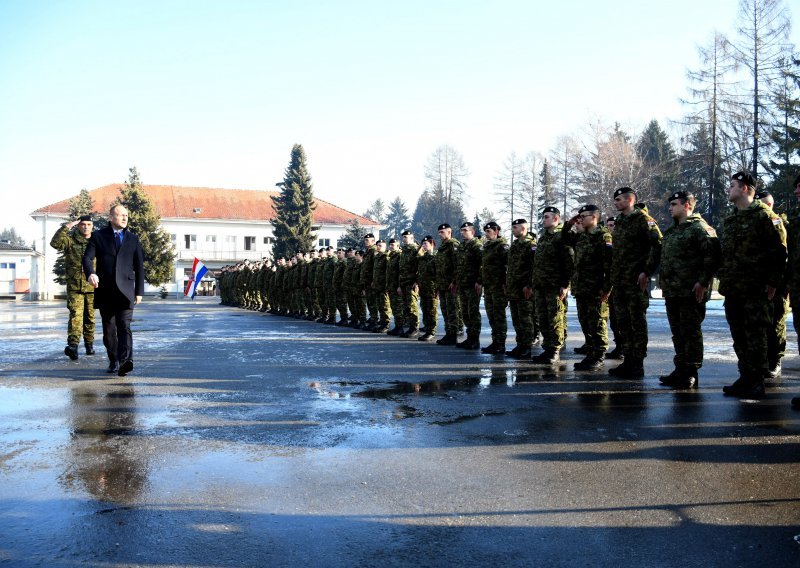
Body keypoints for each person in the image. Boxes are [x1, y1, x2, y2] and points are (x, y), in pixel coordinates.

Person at [718, 172, 787, 399]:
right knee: (739, 335)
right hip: (734, 289)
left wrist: (772, 282)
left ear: (745, 188)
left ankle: (757, 380)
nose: (729, 189)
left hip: (756, 289)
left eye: (732, 185)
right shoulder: (731, 220)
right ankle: (745, 376)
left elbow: (779, 252)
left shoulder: (765, 217)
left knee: (756, 336)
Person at [658, 191, 721, 389]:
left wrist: (702, 282)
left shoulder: (700, 229)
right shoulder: (672, 230)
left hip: (691, 291)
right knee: (677, 332)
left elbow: (713, 257)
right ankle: (681, 368)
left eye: (674, 204)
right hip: (673, 291)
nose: (670, 208)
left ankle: (690, 371)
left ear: (687, 206)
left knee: (690, 332)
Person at [82, 204, 145, 376]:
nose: (125, 218)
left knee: (124, 326)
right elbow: (87, 258)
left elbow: (139, 267)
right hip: (106, 291)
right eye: (121, 215)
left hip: (126, 291)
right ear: (111, 217)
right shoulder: (98, 237)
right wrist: (91, 274)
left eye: (126, 215)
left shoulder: (133, 238)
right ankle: (114, 360)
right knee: (109, 329)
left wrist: (139, 291)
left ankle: (126, 361)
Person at [608, 187, 662, 378]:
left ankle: (637, 363)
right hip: (620, 281)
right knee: (623, 322)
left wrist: (646, 271)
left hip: (635, 280)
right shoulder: (621, 220)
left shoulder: (643, 219)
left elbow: (657, 244)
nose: (615, 203)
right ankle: (628, 360)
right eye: (615, 200)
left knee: (637, 322)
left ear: (630, 200)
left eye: (619, 199)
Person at [563, 205, 612, 371]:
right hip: (581, 288)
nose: (580, 219)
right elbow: (565, 238)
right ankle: (591, 353)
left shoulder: (603, 236)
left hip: (595, 289)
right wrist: (569, 224)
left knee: (597, 323)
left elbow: (610, 264)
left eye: (583, 216)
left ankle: (598, 355)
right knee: (586, 323)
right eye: (579, 216)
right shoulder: (581, 237)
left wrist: (606, 288)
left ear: (594, 217)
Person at [531, 207, 573, 365]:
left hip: (554, 286)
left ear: (556, 219)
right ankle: (547, 348)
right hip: (541, 285)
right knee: (543, 318)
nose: (544, 220)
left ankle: (555, 350)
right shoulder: (543, 239)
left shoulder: (561, 237)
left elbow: (568, 262)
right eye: (543, 217)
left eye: (547, 217)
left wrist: (565, 284)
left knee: (555, 318)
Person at [51, 214, 97, 360]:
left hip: (92, 287)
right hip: (75, 287)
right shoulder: (70, 242)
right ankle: (73, 346)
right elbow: (55, 243)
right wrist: (67, 226)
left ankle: (89, 345)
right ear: (78, 225)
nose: (85, 227)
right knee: (75, 316)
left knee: (90, 317)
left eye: (88, 225)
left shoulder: (96, 242)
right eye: (82, 224)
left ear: (92, 226)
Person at [756, 189, 790, 380]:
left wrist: (782, 282)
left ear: (768, 206)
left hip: (779, 283)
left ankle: (775, 359)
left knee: (776, 323)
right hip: (760, 282)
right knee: (761, 324)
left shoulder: (780, 223)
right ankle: (763, 360)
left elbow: (785, 254)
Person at [505, 219, 537, 358]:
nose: (513, 230)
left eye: (515, 227)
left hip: (525, 289)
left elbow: (535, 267)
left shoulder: (531, 245)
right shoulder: (515, 245)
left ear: (523, 228)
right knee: (516, 319)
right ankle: (520, 345)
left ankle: (527, 347)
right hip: (514, 289)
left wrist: (529, 285)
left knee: (526, 320)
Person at [480, 222, 509, 354]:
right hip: (489, 286)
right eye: (485, 231)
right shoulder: (487, 246)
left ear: (496, 231)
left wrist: (505, 284)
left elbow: (508, 266)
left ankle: (501, 343)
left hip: (498, 286)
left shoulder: (502, 246)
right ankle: (495, 341)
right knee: (491, 315)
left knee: (499, 316)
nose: (486, 234)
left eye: (489, 231)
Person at [454, 222, 483, 349]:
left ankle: (475, 340)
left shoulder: (477, 246)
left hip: (472, 285)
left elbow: (482, 264)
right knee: (465, 313)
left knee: (473, 312)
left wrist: (479, 281)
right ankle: (469, 337)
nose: (462, 232)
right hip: (462, 284)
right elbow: (458, 266)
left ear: (472, 232)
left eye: (465, 230)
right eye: (461, 230)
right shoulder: (461, 246)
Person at [435, 224, 462, 345]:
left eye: (442, 232)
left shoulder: (453, 245)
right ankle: (448, 333)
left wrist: (455, 281)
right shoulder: (443, 246)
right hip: (442, 283)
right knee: (445, 310)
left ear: (449, 232)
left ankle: (453, 335)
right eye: (439, 232)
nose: (440, 234)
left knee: (452, 310)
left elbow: (457, 264)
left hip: (451, 284)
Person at [398, 230, 421, 338]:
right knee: (406, 306)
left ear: (412, 238)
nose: (404, 239)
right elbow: (401, 269)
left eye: (406, 237)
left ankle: (414, 328)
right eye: (403, 237)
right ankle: (409, 326)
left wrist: (417, 282)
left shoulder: (415, 250)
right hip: (404, 282)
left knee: (412, 306)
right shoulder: (404, 251)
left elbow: (420, 267)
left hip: (412, 283)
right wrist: (399, 284)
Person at [417, 236, 439, 342]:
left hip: (432, 288)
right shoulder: (423, 258)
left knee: (431, 310)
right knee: (425, 309)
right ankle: (427, 329)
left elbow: (438, 273)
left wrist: (437, 288)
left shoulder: (436, 257)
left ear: (432, 244)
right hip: (423, 288)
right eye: (423, 244)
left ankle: (431, 331)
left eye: (425, 244)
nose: (423, 246)